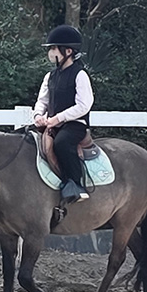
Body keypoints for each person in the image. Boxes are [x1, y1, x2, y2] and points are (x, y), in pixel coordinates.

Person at [33, 24, 95, 203]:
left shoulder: (80, 75)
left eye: (54, 48)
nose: (51, 52)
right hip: (52, 123)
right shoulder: (50, 76)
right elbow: (42, 100)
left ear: (68, 51)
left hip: (75, 125)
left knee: (62, 143)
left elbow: (84, 105)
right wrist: (38, 116)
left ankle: (75, 185)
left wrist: (58, 118)